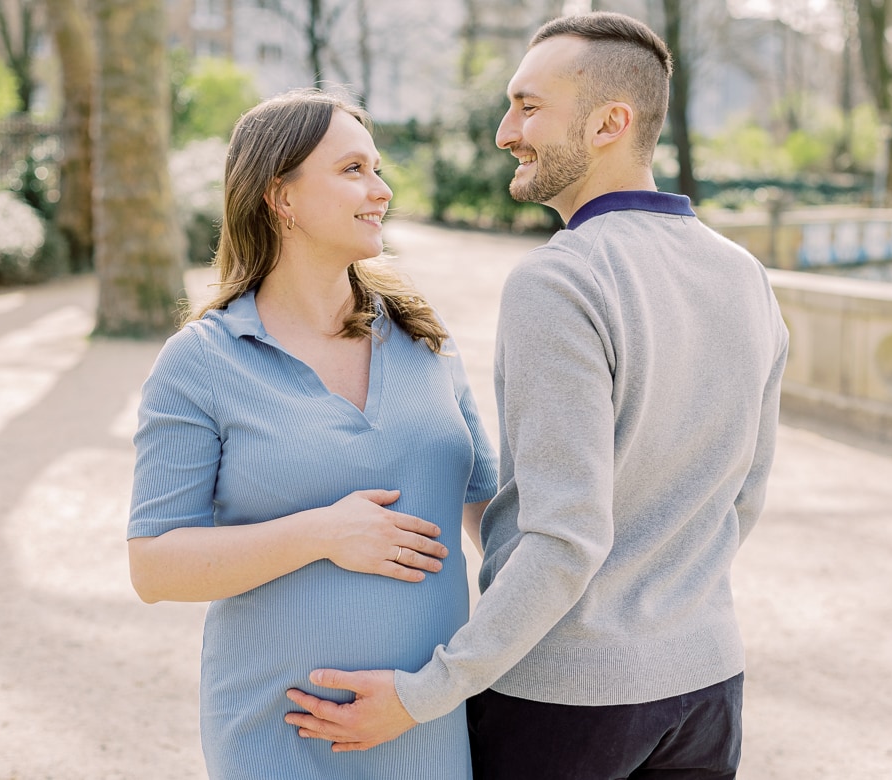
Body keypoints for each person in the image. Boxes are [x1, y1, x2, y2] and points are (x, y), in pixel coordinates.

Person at [284, 12, 789, 779]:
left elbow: (564, 536)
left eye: (528, 106)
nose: (503, 131)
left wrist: (427, 693)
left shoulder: (562, 279)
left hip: (568, 703)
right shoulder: (742, 275)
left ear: (609, 124)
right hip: (707, 686)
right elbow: (743, 497)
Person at [126, 88, 497, 779]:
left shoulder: (423, 336)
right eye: (353, 170)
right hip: (278, 736)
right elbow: (154, 566)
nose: (381, 190)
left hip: (425, 727)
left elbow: (493, 514)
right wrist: (322, 534)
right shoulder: (201, 361)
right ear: (280, 196)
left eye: (378, 169)